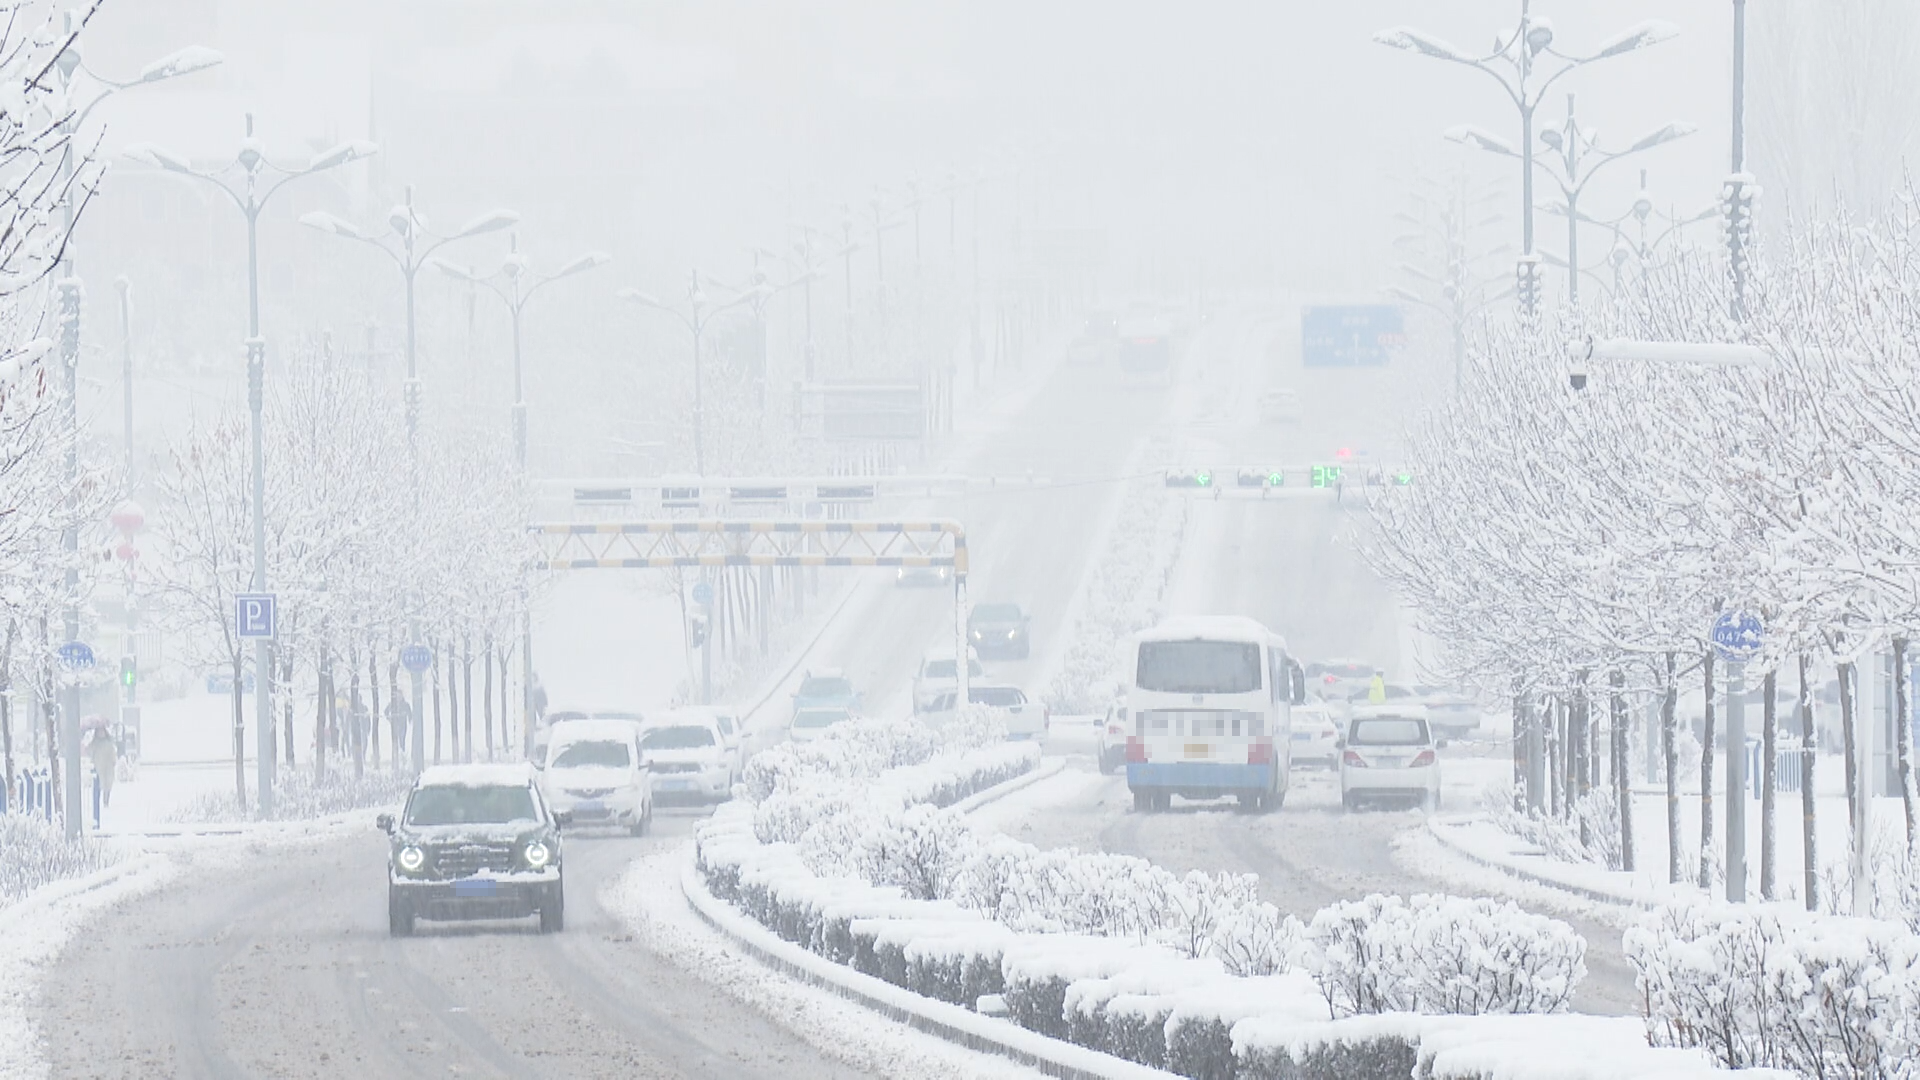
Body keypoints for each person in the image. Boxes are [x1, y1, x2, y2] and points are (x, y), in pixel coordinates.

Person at [87, 727, 119, 808]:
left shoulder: (109, 742)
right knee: (100, 783)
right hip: (99, 766)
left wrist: (113, 760)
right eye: (99, 731)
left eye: (102, 731)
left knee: (108, 784)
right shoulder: (95, 743)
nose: (101, 733)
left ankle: (106, 801)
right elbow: (89, 751)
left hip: (108, 766)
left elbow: (112, 752)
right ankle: (97, 802)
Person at [387, 691, 412, 756]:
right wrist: (389, 719)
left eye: (400, 696)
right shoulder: (392, 704)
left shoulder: (406, 705)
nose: (398, 697)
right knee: (395, 741)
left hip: (403, 725)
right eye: (397, 696)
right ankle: (395, 755)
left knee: (402, 740)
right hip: (394, 725)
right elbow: (385, 712)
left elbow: (410, 714)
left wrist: (410, 720)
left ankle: (402, 755)